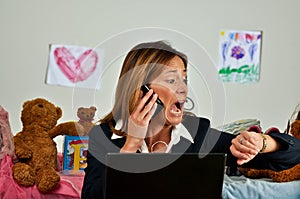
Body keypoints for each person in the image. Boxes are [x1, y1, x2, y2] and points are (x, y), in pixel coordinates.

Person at [81, 40, 300, 198]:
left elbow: (293, 156)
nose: (183, 89)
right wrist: (131, 147)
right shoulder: (103, 137)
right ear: (141, 90)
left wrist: (263, 143)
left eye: (184, 79)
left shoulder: (199, 134)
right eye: (171, 80)